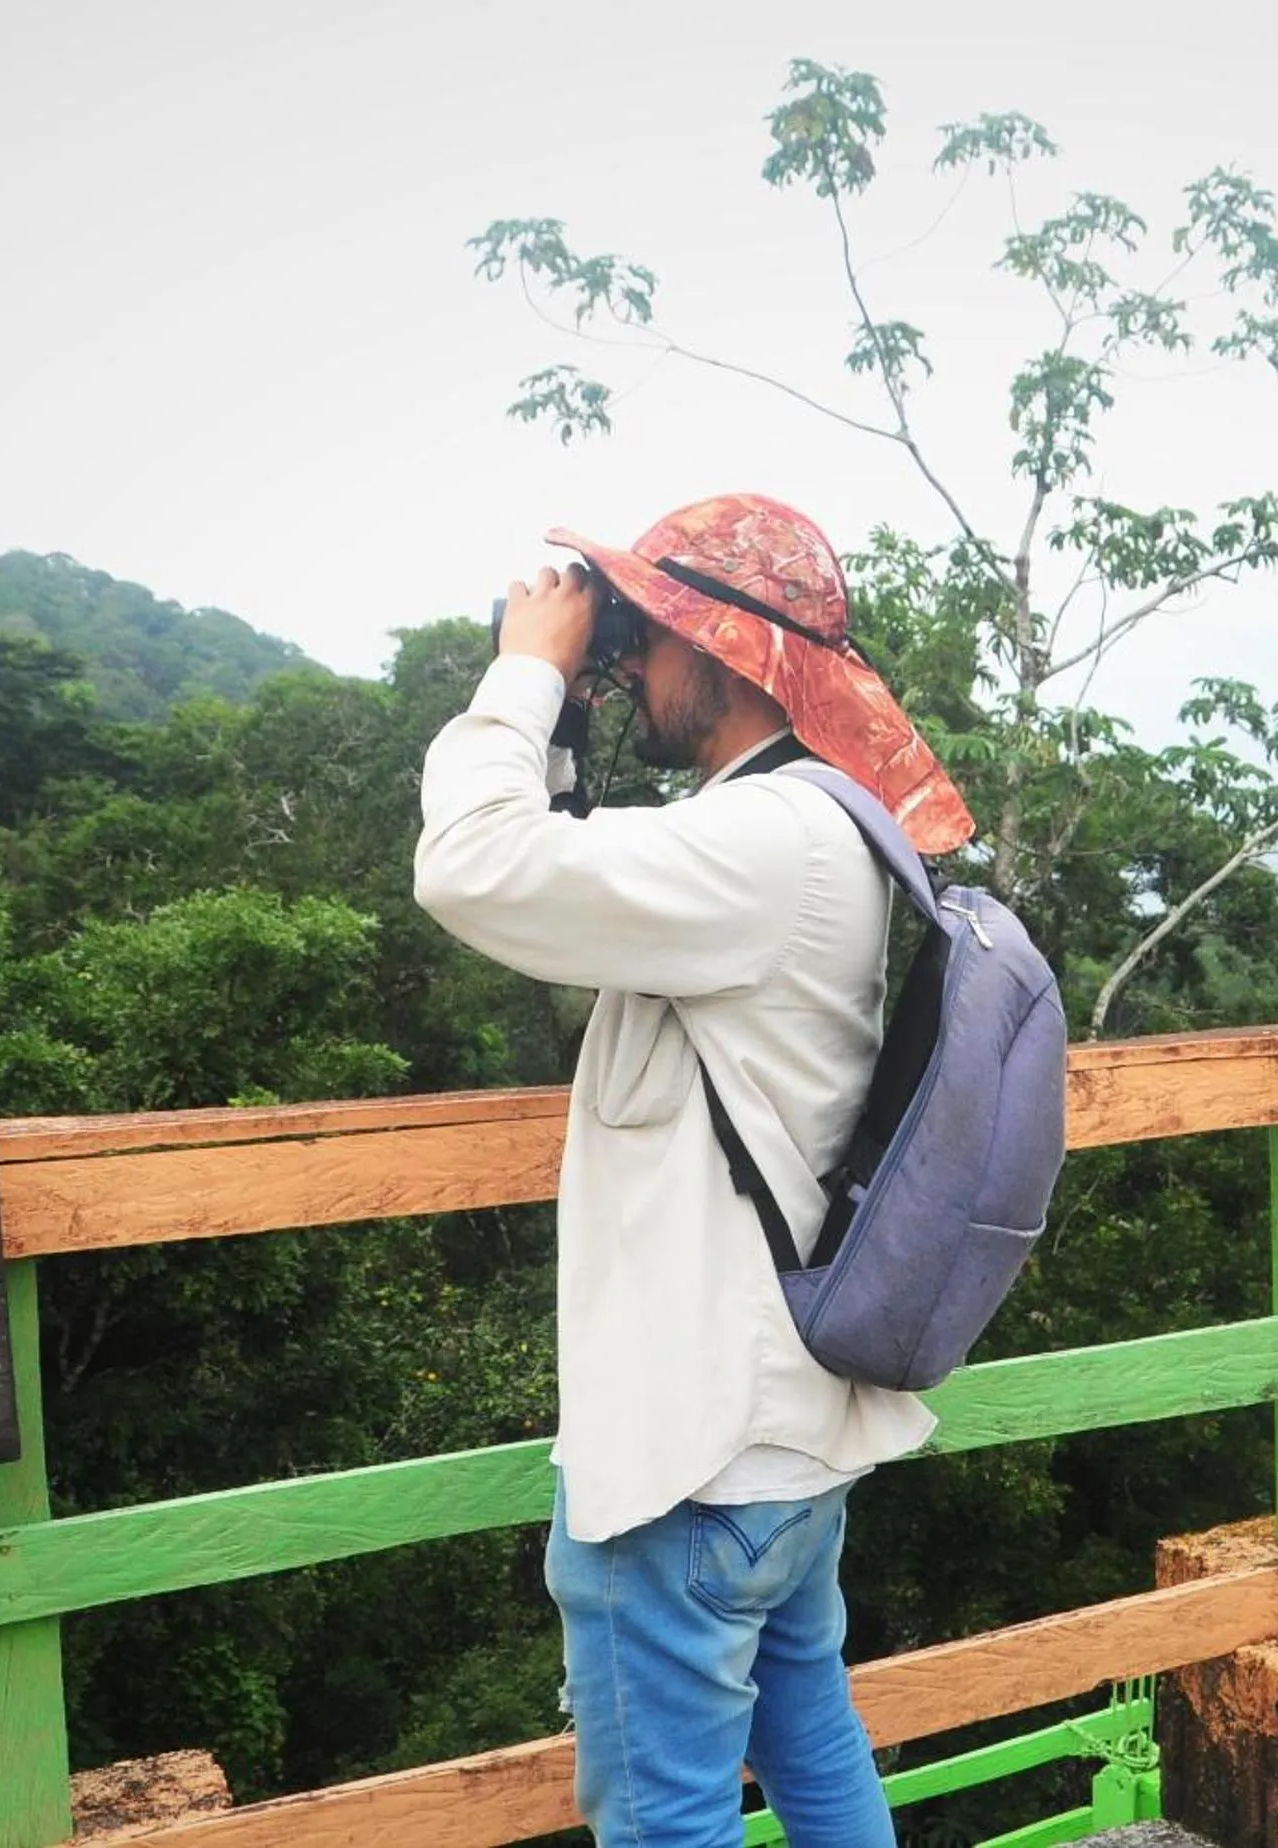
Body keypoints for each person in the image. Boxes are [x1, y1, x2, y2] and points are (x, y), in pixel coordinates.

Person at [413, 493, 975, 1848]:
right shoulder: (806, 824)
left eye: (646, 640)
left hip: (691, 1458)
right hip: (779, 1429)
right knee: (811, 1741)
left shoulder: (758, 843)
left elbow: (472, 867)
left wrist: (527, 670)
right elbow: (558, 891)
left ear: (719, 658)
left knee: (666, 1818)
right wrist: (563, 717)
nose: (626, 662)